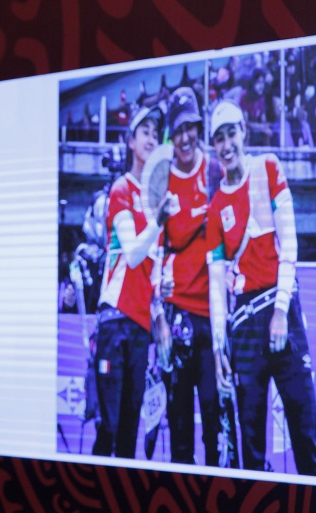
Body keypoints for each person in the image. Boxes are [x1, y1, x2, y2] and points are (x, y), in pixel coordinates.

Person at [207, 100, 316, 474]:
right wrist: (219, 344)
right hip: (243, 330)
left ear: (244, 132)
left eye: (231, 133)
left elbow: (290, 244)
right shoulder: (214, 206)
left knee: (308, 432)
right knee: (250, 447)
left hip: (281, 311)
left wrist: (282, 311)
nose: (226, 145)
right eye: (218, 138)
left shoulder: (268, 166)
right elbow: (216, 284)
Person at [92, 105, 169, 458]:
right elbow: (134, 254)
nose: (152, 138)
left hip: (140, 329)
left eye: (156, 132)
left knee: (128, 434)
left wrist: (161, 309)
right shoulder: (121, 189)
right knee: (107, 427)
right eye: (145, 131)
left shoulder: (158, 202)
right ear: (130, 141)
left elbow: (153, 273)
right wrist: (159, 222)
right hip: (114, 321)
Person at [158, 86, 223, 466]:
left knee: (215, 425)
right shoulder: (161, 178)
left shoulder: (215, 170)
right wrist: (159, 315)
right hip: (176, 316)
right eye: (177, 130)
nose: (185, 138)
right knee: (179, 428)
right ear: (170, 134)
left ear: (199, 128)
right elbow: (154, 251)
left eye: (191, 128)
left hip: (212, 321)